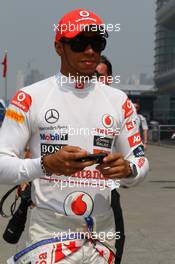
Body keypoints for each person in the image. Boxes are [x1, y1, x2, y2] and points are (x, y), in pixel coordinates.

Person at [0, 9, 149, 264]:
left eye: (97, 43)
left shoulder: (118, 101)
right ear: (59, 47)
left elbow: (140, 162)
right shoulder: (29, 97)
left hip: (102, 235)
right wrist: (44, 165)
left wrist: (127, 171)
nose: (90, 51)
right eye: (80, 43)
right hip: (49, 232)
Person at [96, 56, 125, 264]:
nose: (95, 80)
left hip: (108, 191)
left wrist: (129, 168)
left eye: (100, 76)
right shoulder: (70, 106)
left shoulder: (120, 108)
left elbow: (136, 157)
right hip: (69, 192)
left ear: (109, 79)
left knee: (115, 244)